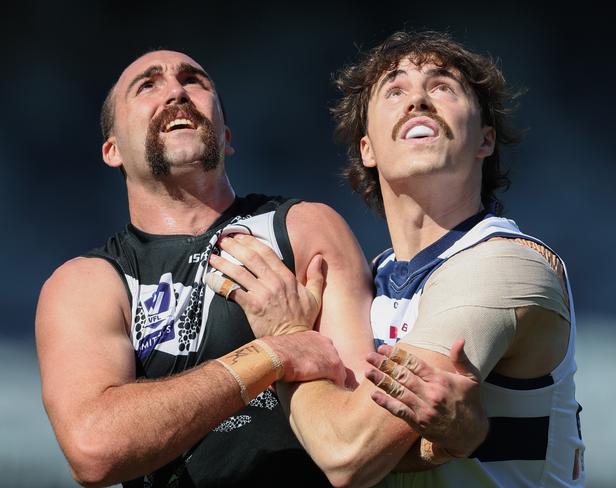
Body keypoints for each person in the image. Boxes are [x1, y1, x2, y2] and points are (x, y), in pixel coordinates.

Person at [209, 30, 585, 487]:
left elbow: (347, 452)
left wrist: (288, 338)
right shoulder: (375, 277)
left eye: (442, 86)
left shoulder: (507, 266)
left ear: (485, 140)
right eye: (395, 90)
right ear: (367, 148)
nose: (419, 100)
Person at [35, 49, 374, 487]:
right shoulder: (87, 283)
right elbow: (95, 450)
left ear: (227, 136)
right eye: (148, 85)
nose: (176, 91)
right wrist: (274, 354)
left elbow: (361, 431)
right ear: (112, 149)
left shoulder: (302, 229)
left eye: (194, 81)